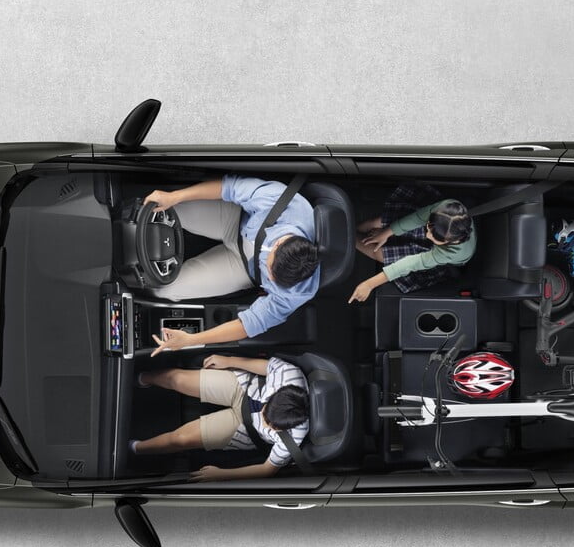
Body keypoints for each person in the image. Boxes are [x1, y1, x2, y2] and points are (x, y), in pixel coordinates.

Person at [143, 176, 320, 354]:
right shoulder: (281, 202)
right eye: (270, 269)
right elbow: (229, 187)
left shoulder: (299, 290)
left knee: (165, 290)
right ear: (277, 244)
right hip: (236, 221)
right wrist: (174, 196)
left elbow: (251, 324)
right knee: (162, 209)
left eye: (273, 280)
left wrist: (191, 340)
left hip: (243, 268)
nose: (270, 277)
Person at [132, 354, 310, 482]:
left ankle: (135, 448)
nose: (264, 421)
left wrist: (221, 474)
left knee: (180, 439)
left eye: (270, 425)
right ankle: (140, 378)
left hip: (247, 430)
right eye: (265, 414)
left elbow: (267, 469)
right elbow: (266, 366)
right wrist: (229, 360)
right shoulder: (289, 374)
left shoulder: (294, 438)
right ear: (276, 393)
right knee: (177, 379)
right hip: (244, 388)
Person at [348, 185, 476, 303]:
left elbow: (411, 263)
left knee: (380, 254)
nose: (427, 235)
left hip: (436, 255)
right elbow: (418, 218)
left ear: (451, 241)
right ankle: (348, 227)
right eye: (429, 227)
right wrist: (386, 232)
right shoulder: (445, 208)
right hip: (436, 232)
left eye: (435, 236)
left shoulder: (455, 252)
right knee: (378, 222)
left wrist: (369, 284)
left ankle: (348, 238)